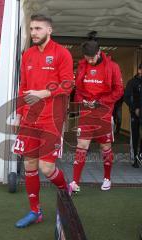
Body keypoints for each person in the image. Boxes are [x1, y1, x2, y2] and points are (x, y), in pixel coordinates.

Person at [13, 14, 73, 228]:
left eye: (38, 28)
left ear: (49, 30)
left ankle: (64, 188)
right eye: (31, 29)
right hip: (30, 118)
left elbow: (68, 85)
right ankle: (35, 211)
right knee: (29, 164)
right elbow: (23, 87)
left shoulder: (62, 53)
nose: (34, 33)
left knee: (46, 168)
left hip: (51, 119)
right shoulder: (27, 54)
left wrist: (43, 93)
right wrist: (19, 113)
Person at [69, 31, 124, 193]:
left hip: (104, 113)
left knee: (105, 147)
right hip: (87, 113)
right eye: (87, 58)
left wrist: (100, 102)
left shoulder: (113, 67)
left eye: (92, 58)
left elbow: (119, 91)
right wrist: (82, 101)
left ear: (99, 53)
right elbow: (78, 90)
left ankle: (107, 178)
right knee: (81, 146)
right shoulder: (82, 66)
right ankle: (74, 182)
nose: (90, 61)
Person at [124, 63, 142, 168]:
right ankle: (135, 158)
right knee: (135, 136)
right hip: (135, 114)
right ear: (139, 70)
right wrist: (134, 108)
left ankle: (140, 155)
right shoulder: (132, 82)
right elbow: (127, 97)